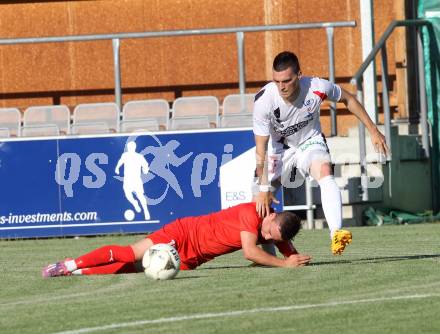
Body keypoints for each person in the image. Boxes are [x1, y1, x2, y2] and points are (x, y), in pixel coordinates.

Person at [253, 51, 389, 255]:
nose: (281, 87)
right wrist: (264, 188)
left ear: (299, 75)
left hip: (310, 142)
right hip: (279, 150)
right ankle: (268, 257)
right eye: (277, 81)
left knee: (325, 171)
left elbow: (348, 99)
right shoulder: (264, 101)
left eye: (287, 81)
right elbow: (261, 148)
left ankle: (336, 233)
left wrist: (373, 130)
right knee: (258, 198)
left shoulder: (317, 87)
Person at [42, 202, 311, 277]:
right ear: (271, 216)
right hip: (182, 234)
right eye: (268, 232)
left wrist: (292, 256)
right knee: (131, 254)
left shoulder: (275, 228)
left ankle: (81, 272)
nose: (266, 237)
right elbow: (250, 253)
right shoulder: (252, 213)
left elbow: (288, 252)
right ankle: (68, 264)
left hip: (193, 258)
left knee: (135, 269)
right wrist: (284, 265)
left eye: (272, 239)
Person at [115, 141, 150, 220]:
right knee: (127, 194)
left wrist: (145, 170)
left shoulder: (139, 156)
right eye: (129, 147)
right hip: (127, 179)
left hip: (136, 179)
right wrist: (117, 168)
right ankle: (135, 203)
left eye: (131, 147)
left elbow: (145, 165)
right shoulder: (125, 155)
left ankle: (146, 211)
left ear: (134, 147)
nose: (130, 148)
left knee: (140, 196)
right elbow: (120, 161)